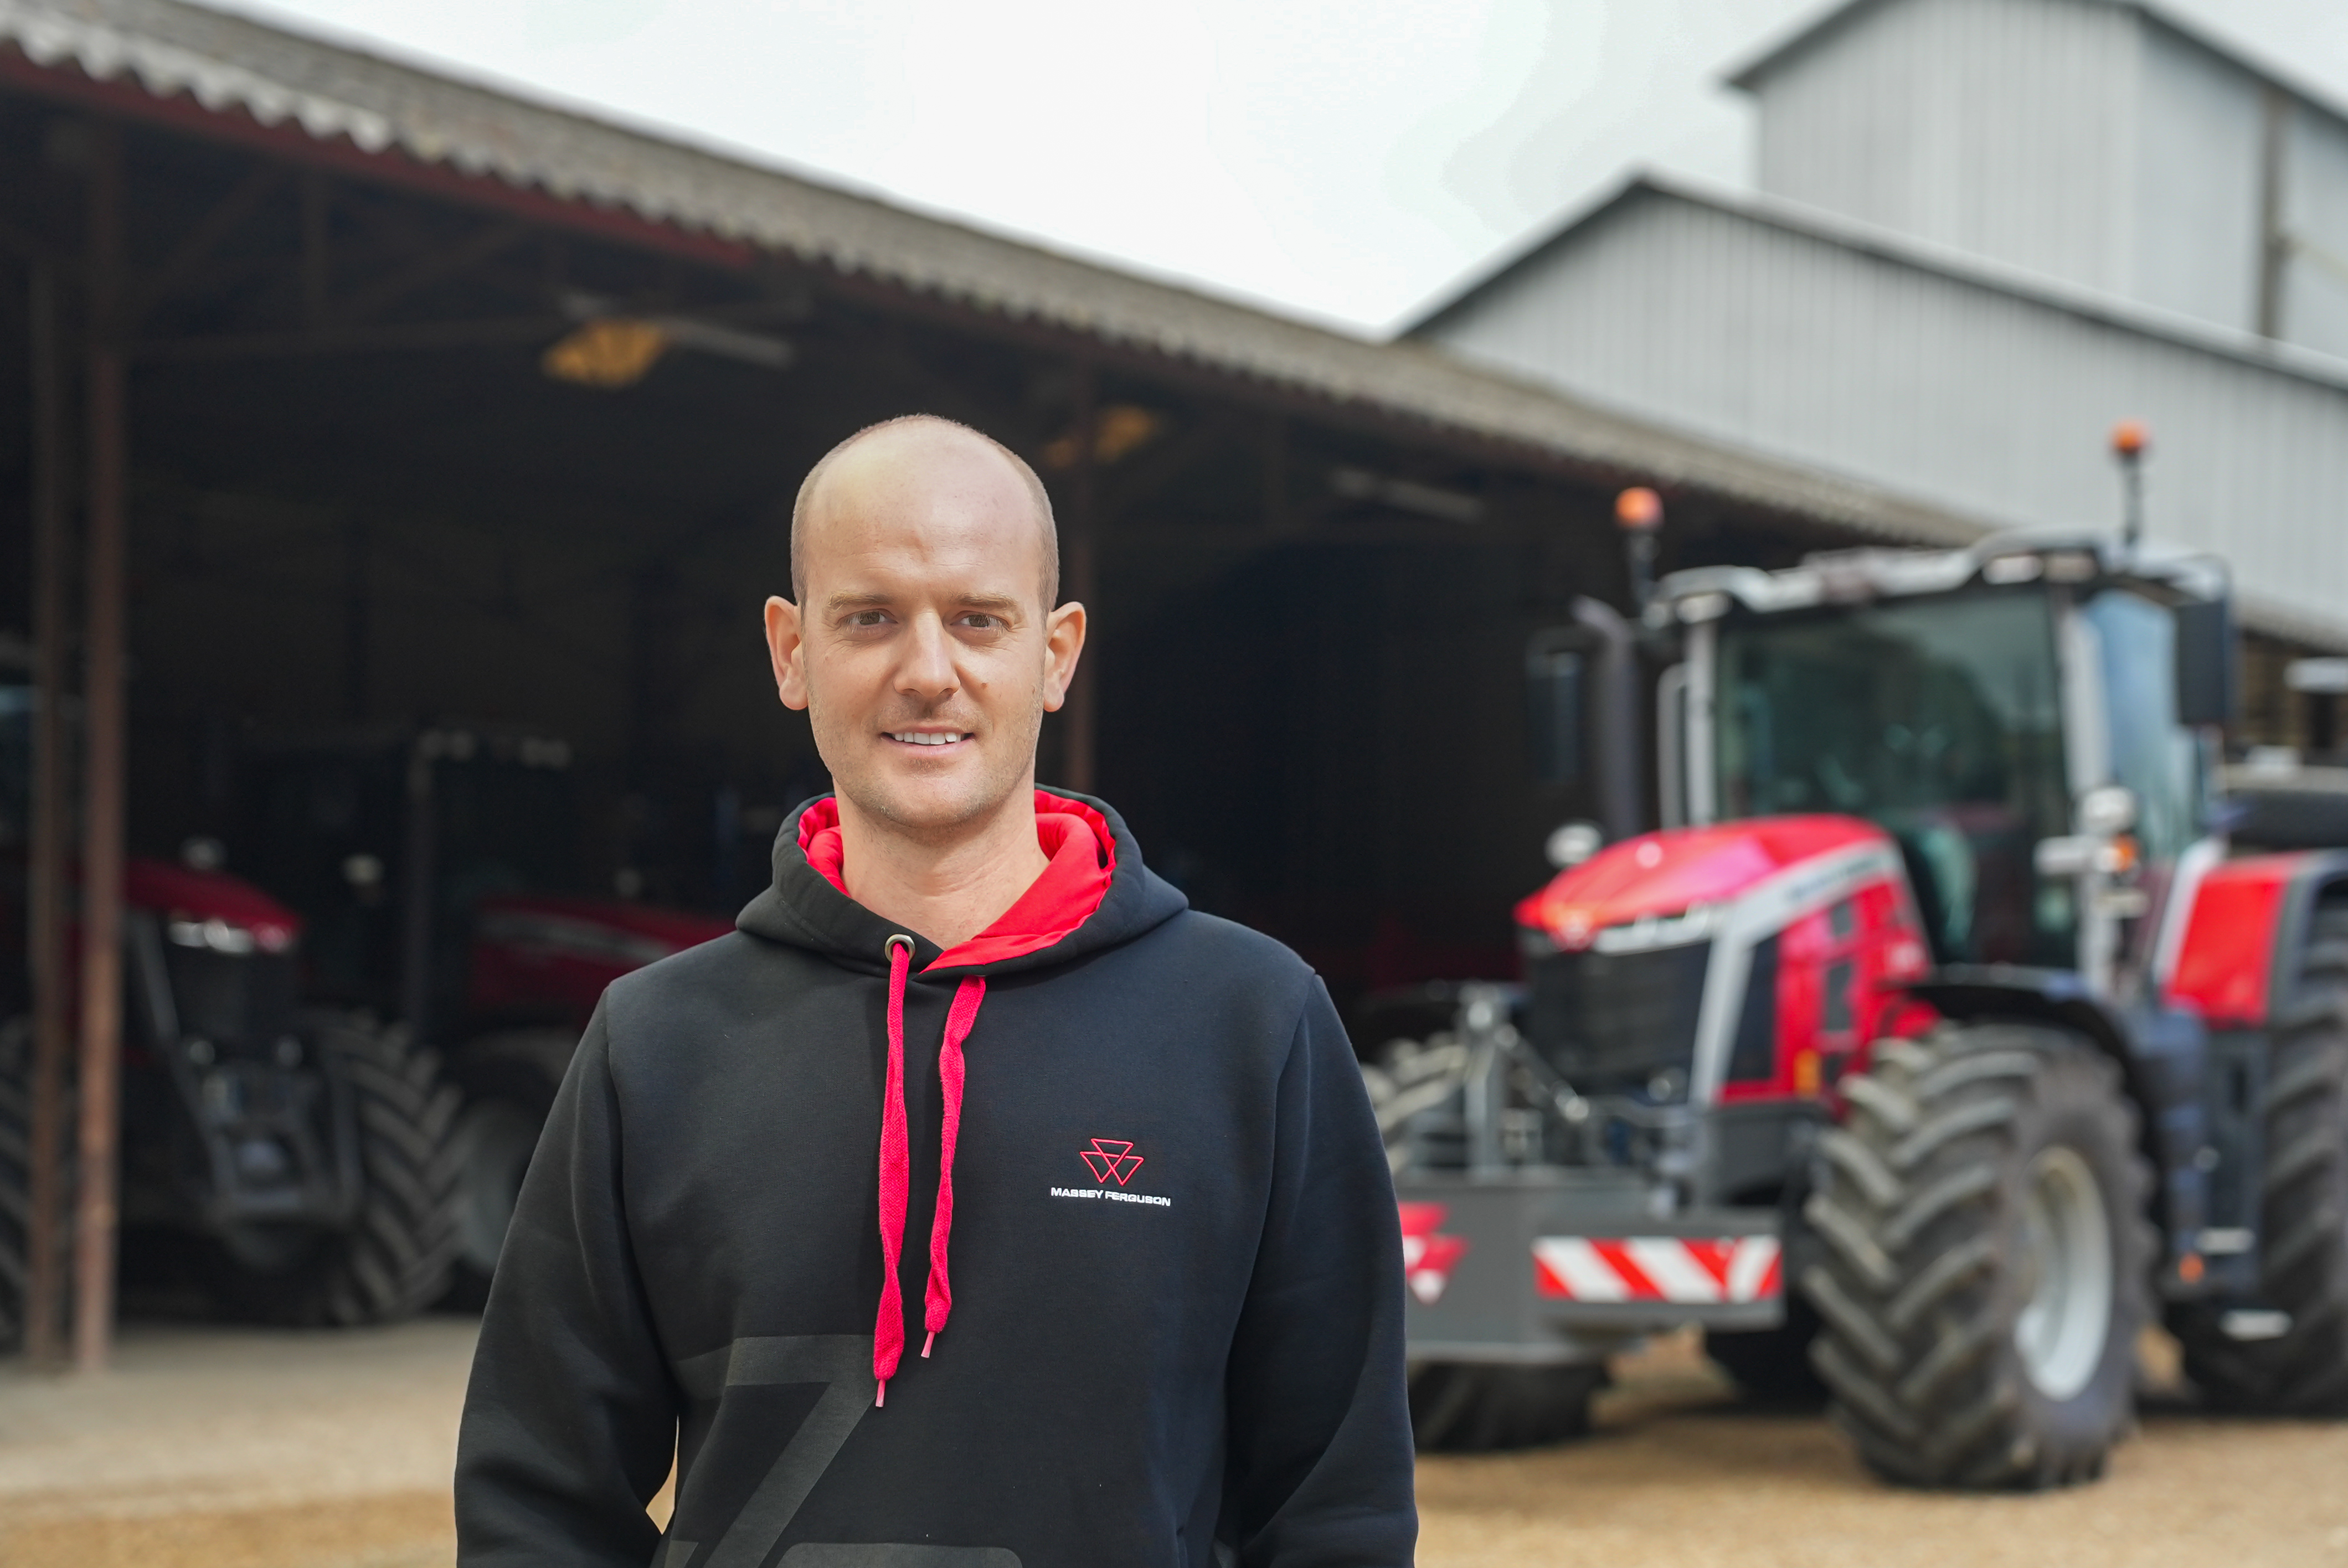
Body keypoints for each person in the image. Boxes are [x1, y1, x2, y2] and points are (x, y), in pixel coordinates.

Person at [453, 414, 1416, 1567]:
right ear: (791, 651)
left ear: (1055, 654)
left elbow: (1335, 1509)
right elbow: (539, 1508)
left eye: (977, 619)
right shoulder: (653, 1044)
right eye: (869, 618)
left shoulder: (1253, 1024)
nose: (926, 672)